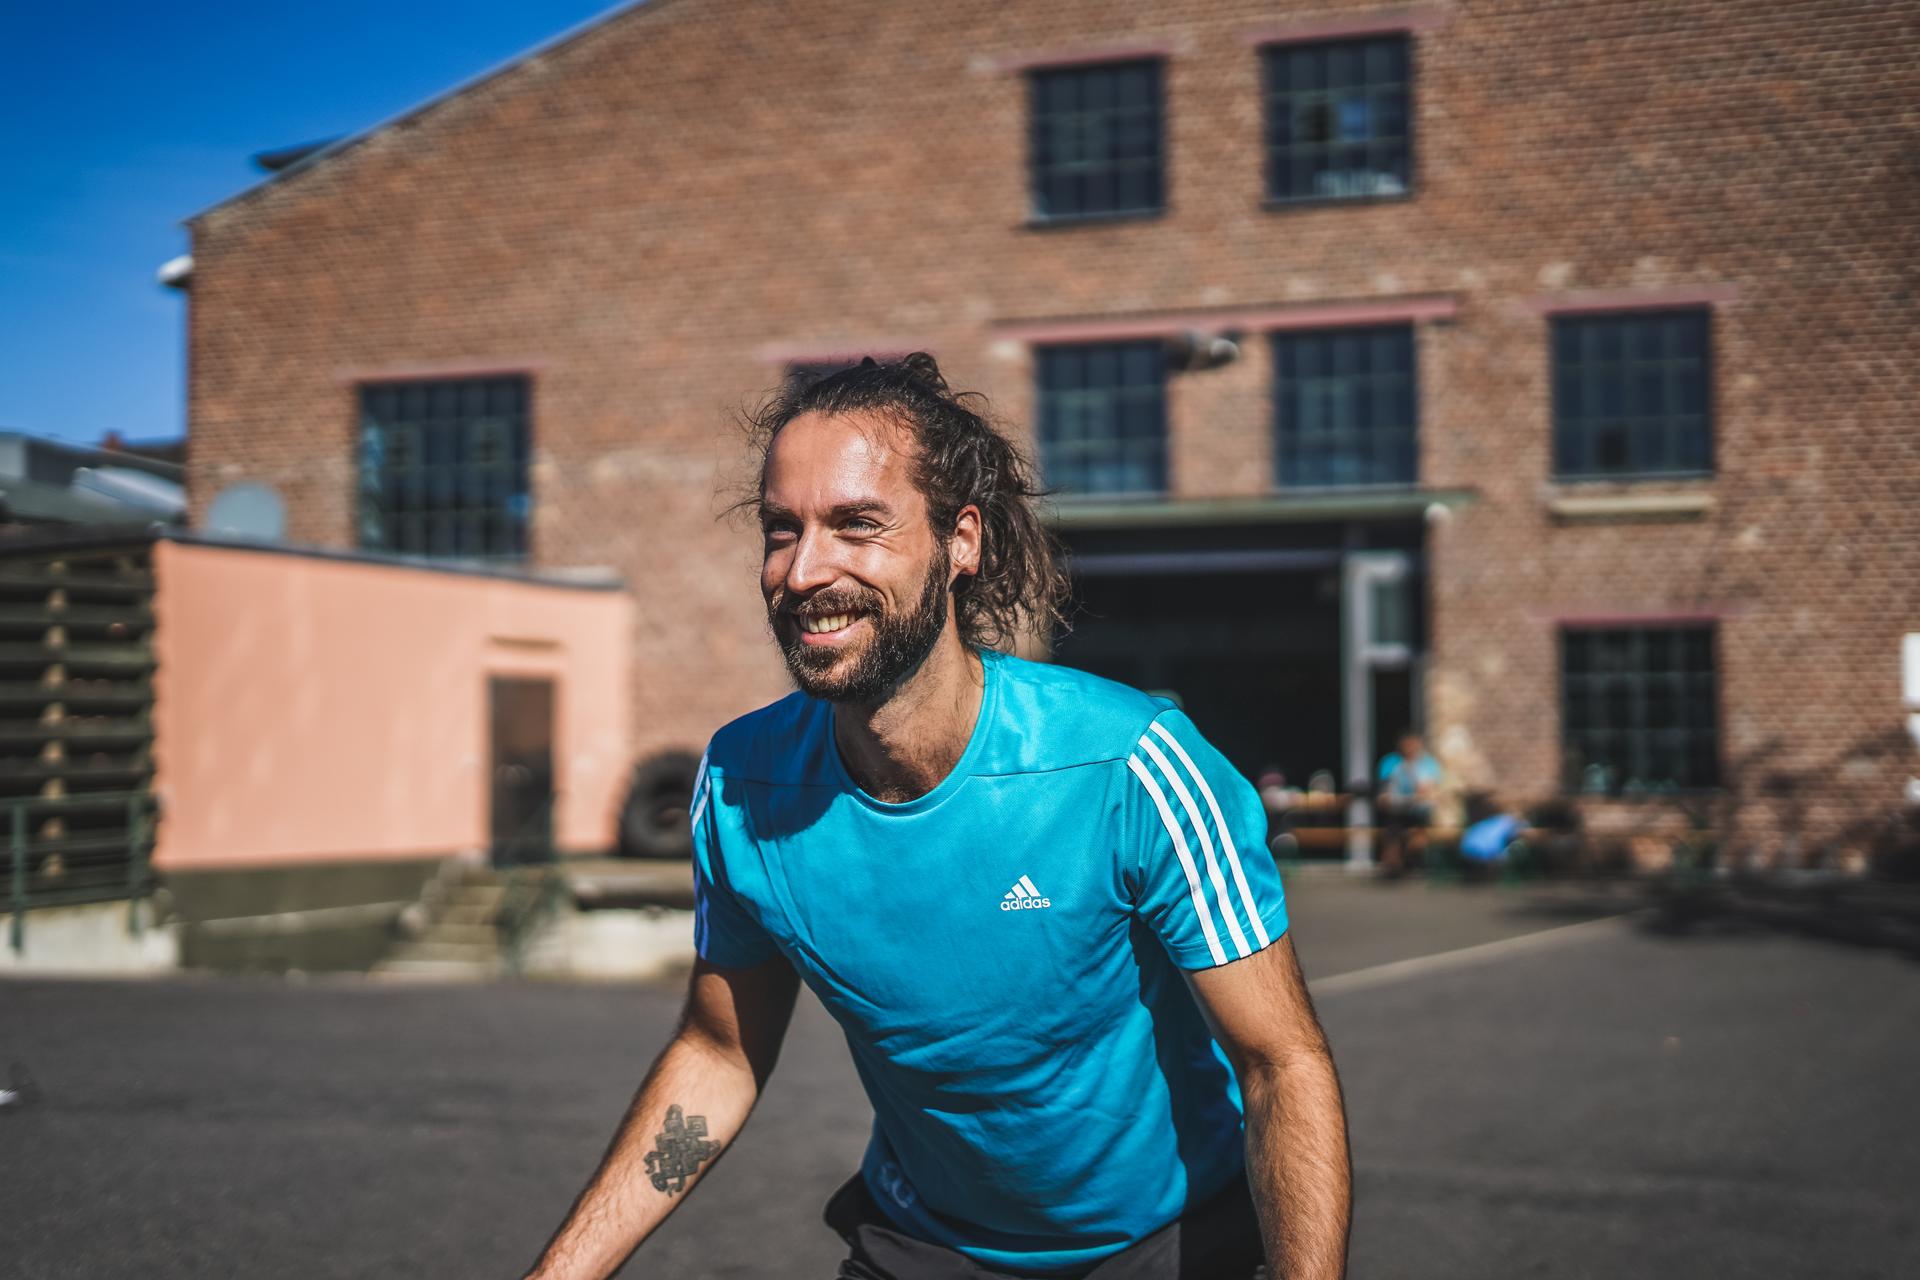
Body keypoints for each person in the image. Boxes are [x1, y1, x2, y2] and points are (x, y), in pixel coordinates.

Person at [525, 356, 1351, 1280]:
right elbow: (718, 1055)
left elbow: (1283, 1066)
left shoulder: (1128, 765)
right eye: (780, 530)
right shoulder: (740, 782)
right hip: (924, 1244)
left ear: (961, 543)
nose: (803, 572)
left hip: (1169, 1242)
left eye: (856, 526)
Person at [1374, 731, 1444, 879]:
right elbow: (1384, 792)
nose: (1410, 748)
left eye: (1413, 745)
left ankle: (1410, 860)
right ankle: (1393, 863)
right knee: (1393, 829)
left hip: (1420, 811)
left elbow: (1429, 790)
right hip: (1397, 811)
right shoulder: (1391, 763)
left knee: (1419, 833)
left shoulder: (1428, 764)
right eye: (1407, 745)